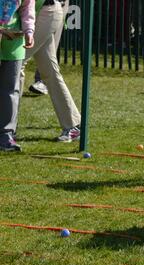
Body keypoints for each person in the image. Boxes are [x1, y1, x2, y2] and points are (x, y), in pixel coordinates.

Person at [20, 0, 81, 143]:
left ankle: (7, 127)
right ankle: (74, 125)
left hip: (46, 12)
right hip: (38, 13)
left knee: (17, 63)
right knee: (50, 71)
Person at [0, 0, 35, 152]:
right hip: (5, 34)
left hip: (14, 40)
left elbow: (27, 9)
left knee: (10, 89)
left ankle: (6, 135)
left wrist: (29, 32)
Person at [28, 0, 69, 95]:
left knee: (20, 60)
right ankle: (69, 110)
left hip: (53, 7)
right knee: (50, 63)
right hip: (36, 6)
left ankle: (42, 82)